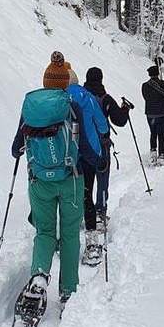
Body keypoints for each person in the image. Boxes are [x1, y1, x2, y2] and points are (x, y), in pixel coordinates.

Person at [10, 52, 97, 327]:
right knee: (70, 234)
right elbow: (85, 146)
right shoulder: (72, 106)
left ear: (45, 82)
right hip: (70, 180)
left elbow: (16, 148)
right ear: (64, 84)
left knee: (45, 232)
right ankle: (68, 291)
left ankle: (38, 276)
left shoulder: (31, 108)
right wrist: (100, 162)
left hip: (39, 183)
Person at [64, 67, 111, 267]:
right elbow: (102, 126)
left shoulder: (60, 98)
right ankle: (92, 238)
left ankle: (65, 237)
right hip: (90, 153)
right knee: (87, 192)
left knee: (68, 193)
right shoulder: (89, 97)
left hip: (67, 154)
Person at [83, 67, 132, 227]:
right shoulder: (105, 98)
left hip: (82, 145)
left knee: (84, 180)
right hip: (101, 144)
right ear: (101, 79)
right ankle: (100, 211)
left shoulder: (81, 97)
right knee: (102, 179)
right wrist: (125, 109)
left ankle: (84, 210)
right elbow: (120, 121)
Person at [141, 63, 164, 166]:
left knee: (153, 133)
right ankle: (161, 156)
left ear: (149, 74)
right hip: (162, 113)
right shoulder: (163, 83)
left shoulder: (145, 85)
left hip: (150, 114)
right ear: (158, 73)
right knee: (161, 135)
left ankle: (153, 154)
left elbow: (145, 97)